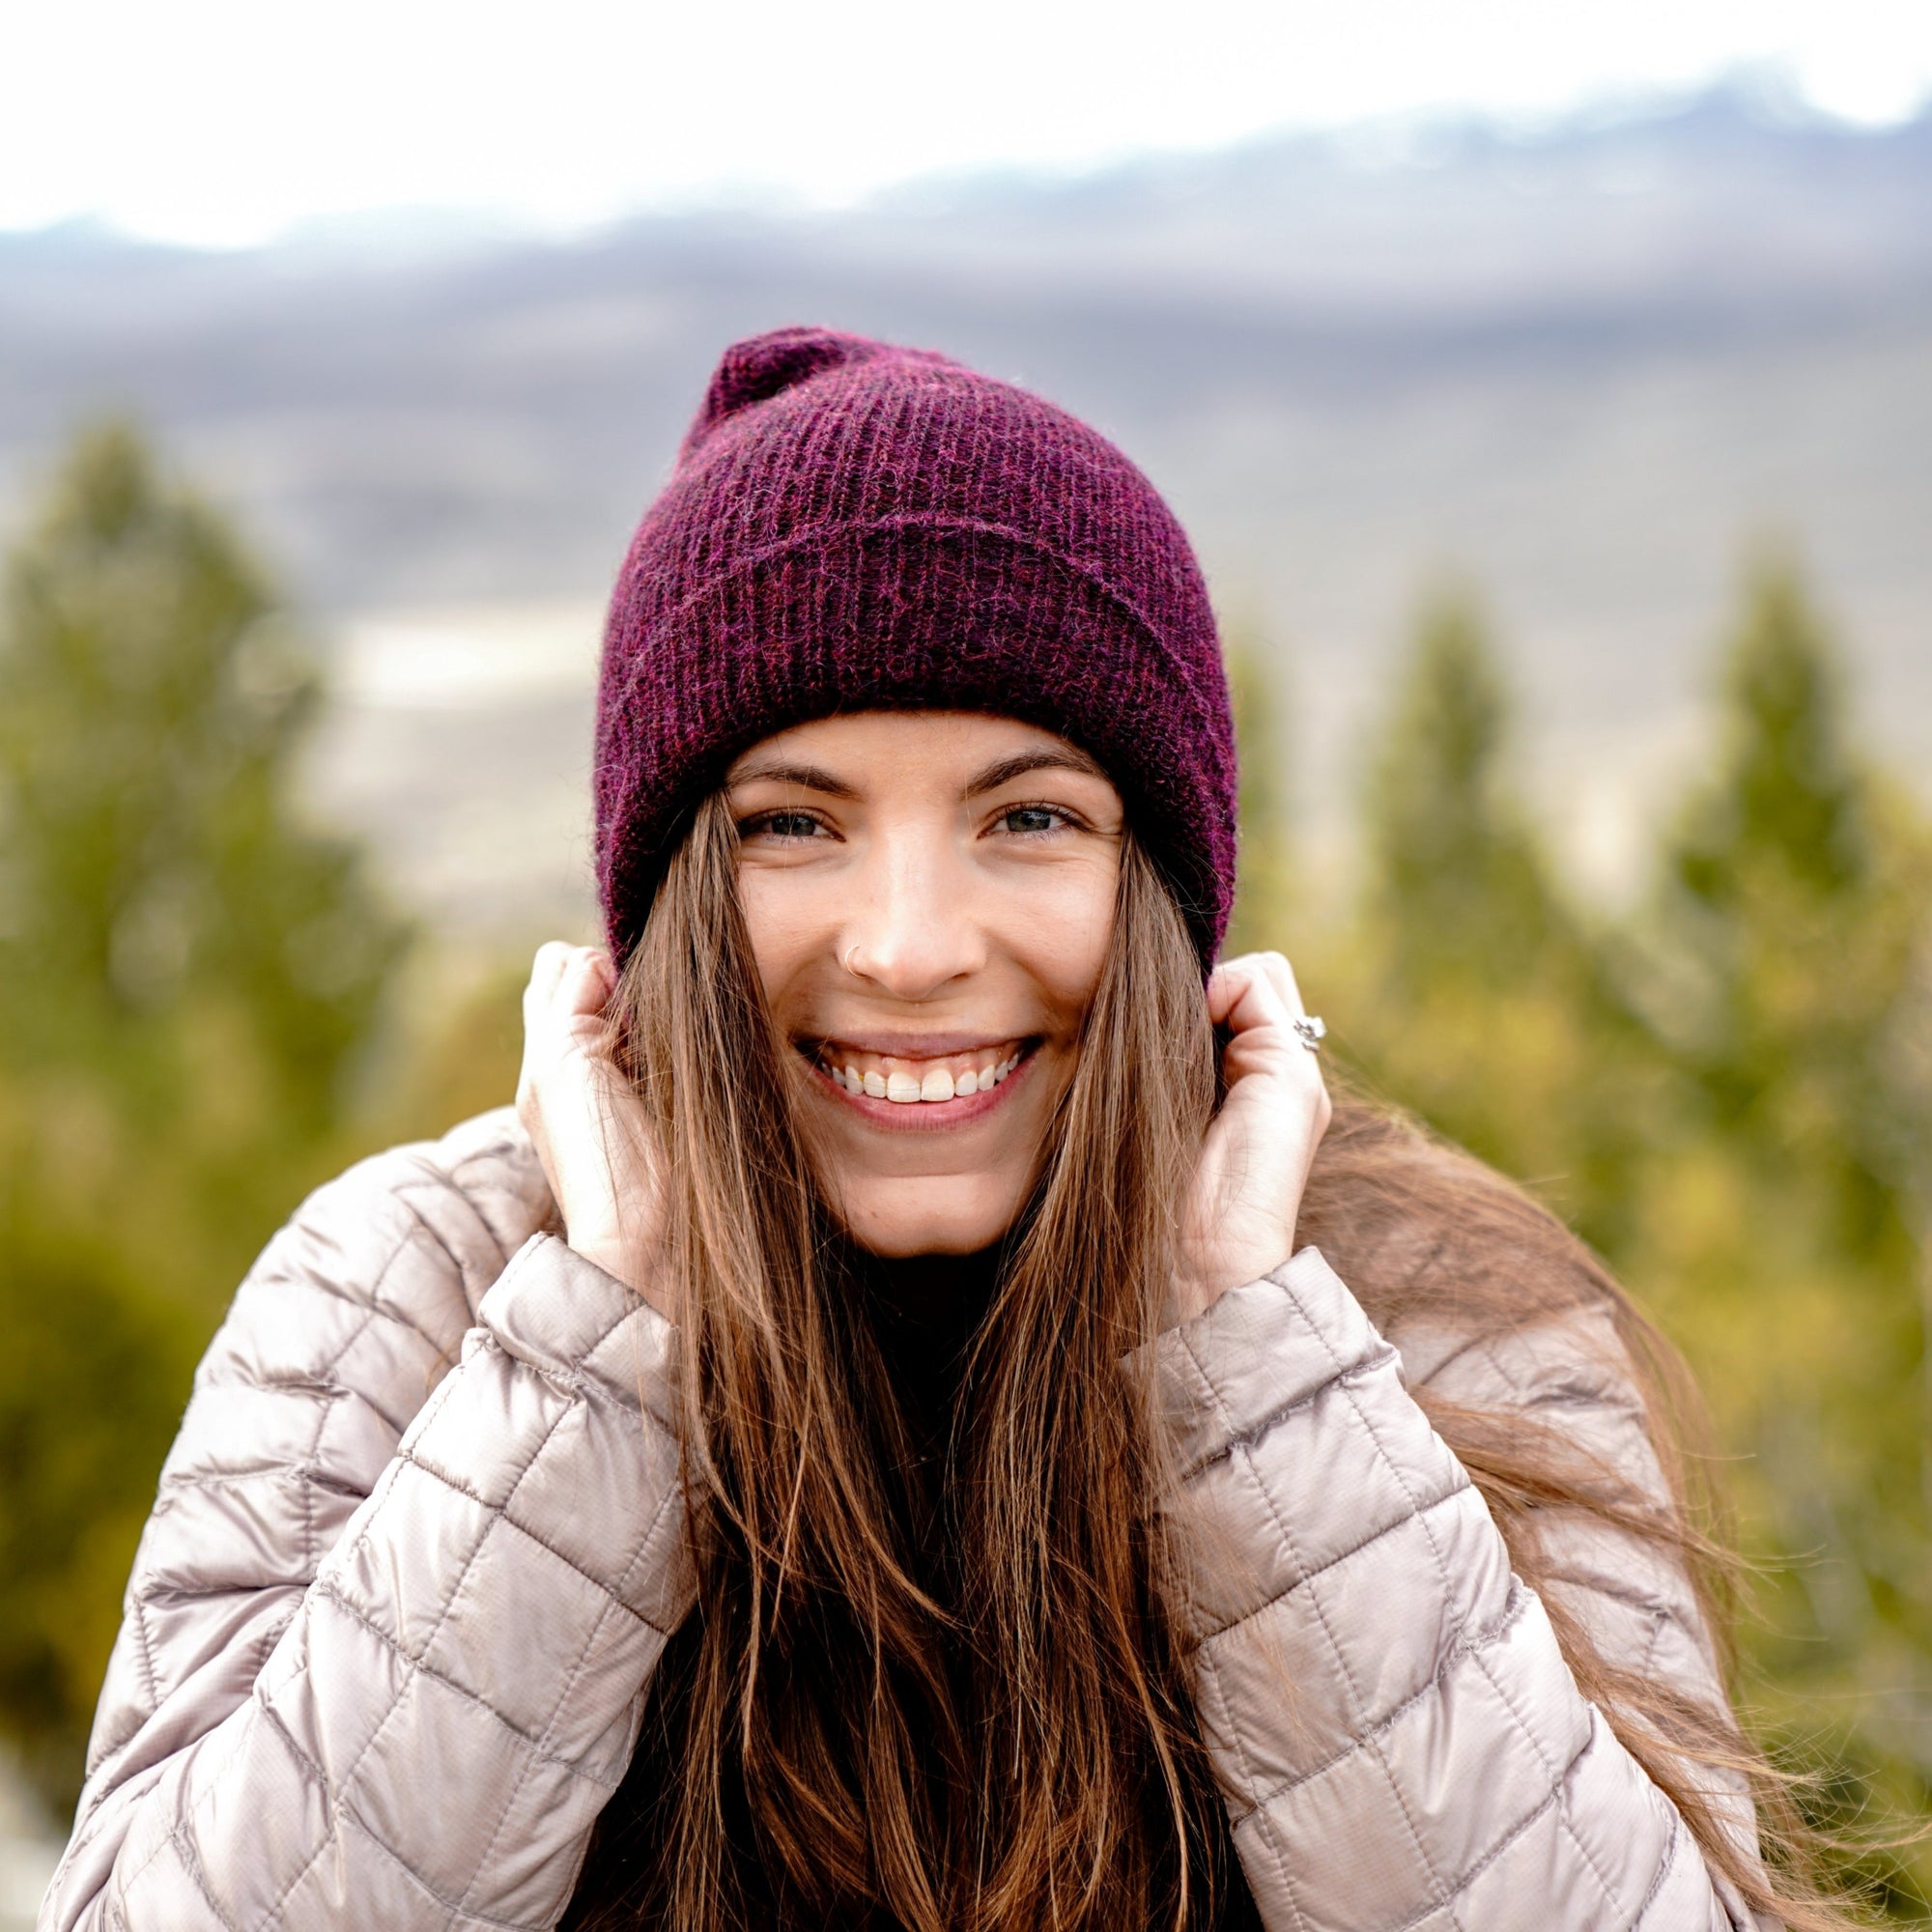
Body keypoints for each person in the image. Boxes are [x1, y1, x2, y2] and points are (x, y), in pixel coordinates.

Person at [39, 328, 1841, 1932]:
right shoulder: (403, 1299)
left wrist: (1252, 1357)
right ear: (658, 905)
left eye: (1029, 818)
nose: (907, 949)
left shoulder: (1448, 1320)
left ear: (1162, 889)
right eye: (792, 825)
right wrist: (603, 1341)